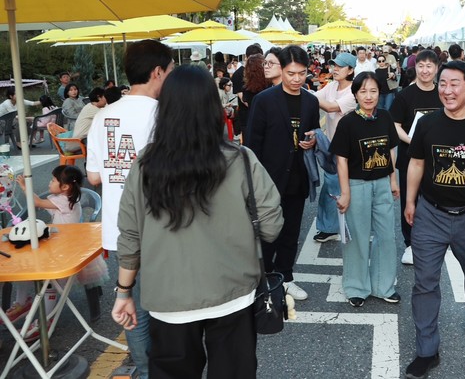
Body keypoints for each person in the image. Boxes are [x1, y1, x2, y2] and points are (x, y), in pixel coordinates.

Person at [111, 65, 284, 378]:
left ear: (166, 110)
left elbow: (130, 236)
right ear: (213, 108)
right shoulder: (241, 159)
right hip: (233, 294)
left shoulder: (145, 166)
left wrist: (124, 293)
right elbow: (271, 226)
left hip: (168, 300)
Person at [403, 60, 465, 379]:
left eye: (454, 84)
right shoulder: (427, 123)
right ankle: (426, 350)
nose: (447, 90)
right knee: (424, 282)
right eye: (442, 83)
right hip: (430, 214)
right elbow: (416, 163)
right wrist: (410, 201)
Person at [87, 39, 175, 379]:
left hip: (118, 229)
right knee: (167, 307)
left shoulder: (102, 116)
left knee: (132, 305)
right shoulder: (164, 115)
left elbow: (94, 177)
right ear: (158, 72)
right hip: (162, 226)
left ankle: (145, 370)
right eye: (170, 71)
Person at [245, 45, 319, 302]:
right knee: (266, 233)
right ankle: (263, 279)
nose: (297, 79)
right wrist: (251, 183)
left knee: (291, 232)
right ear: (282, 70)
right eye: (291, 73)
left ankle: (286, 277)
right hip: (268, 180)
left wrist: (313, 140)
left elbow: (314, 130)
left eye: (301, 73)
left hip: (297, 177)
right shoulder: (264, 100)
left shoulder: (311, 101)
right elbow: (252, 145)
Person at [12, 165, 109, 338]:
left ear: (64, 187)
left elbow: (37, 202)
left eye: (52, 180)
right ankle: (25, 304)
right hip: (61, 246)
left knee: (49, 282)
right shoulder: (66, 199)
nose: (49, 183)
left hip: (66, 252)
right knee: (27, 269)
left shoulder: (64, 201)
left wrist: (25, 187)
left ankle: (45, 320)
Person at [330, 71, 400, 307]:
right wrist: (345, 192)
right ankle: (356, 287)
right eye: (363, 91)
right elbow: (341, 160)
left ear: (380, 93)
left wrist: (392, 180)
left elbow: (391, 150)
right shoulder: (347, 122)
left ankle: (383, 286)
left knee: (386, 236)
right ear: (355, 94)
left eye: (373, 91)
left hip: (382, 184)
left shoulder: (385, 117)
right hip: (357, 185)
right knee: (358, 238)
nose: (369, 96)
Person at [389, 49, 443, 266]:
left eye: (429, 66)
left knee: (435, 198)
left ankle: (432, 239)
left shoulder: (443, 93)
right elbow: (395, 125)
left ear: (437, 68)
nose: (425, 70)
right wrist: (414, 141)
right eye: (421, 66)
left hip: (437, 159)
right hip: (410, 157)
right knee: (410, 199)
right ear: (415, 68)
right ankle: (410, 243)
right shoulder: (405, 95)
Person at [312, 52, 357, 243]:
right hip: (331, 144)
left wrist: (303, 93)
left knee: (334, 186)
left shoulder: (354, 92)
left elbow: (331, 107)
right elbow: (316, 98)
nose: (335, 69)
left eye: (340, 66)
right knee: (332, 186)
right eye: (334, 65)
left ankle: (332, 227)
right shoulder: (332, 86)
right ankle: (331, 226)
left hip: (347, 148)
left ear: (351, 70)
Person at [230, 43, 263, 140]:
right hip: (248, 117)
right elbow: (244, 99)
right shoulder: (239, 74)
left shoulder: (265, 72)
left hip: (256, 117)